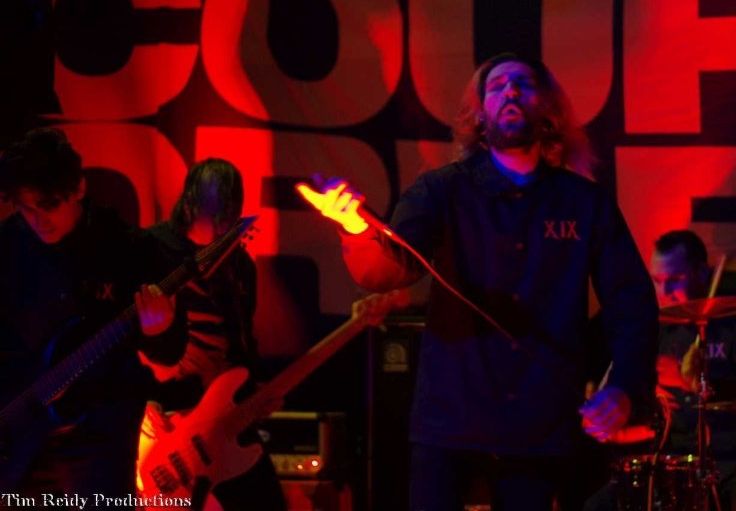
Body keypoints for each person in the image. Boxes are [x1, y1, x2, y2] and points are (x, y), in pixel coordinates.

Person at [306, 53, 659, 510]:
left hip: (539, 420)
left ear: (548, 109)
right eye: (496, 86)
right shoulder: (441, 190)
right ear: (478, 114)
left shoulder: (583, 202)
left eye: (523, 84)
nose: (510, 91)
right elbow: (390, 270)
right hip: (452, 417)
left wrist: (625, 385)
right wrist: (356, 229)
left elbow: (631, 299)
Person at [0, 128, 183, 503]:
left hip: (98, 441)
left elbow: (171, 352)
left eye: (50, 205)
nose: (39, 220)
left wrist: (160, 330)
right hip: (18, 437)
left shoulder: (130, 249)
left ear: (79, 189)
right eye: (27, 209)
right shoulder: (8, 245)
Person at [584, 229, 736, 510]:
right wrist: (616, 404)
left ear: (701, 272)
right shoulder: (656, 328)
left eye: (674, 280)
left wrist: (701, 383)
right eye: (658, 281)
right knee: (597, 506)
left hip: (733, 460)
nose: (664, 292)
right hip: (673, 458)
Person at [142, 158, 286, 510]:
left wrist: (256, 390)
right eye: (216, 217)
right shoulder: (151, 250)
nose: (223, 228)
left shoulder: (239, 264)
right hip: (168, 418)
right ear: (190, 205)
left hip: (222, 417)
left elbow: (242, 339)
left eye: (230, 219)